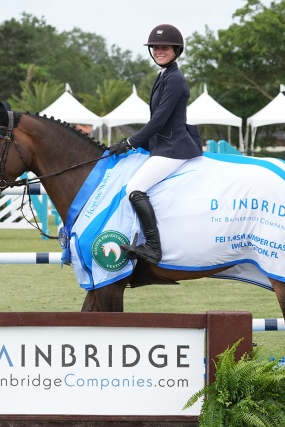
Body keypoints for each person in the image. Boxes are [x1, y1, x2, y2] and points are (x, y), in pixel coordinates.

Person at [107, 24, 203, 264]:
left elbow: (159, 120)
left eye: (165, 47)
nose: (159, 51)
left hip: (173, 149)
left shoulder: (175, 80)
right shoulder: (163, 76)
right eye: (155, 47)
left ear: (176, 50)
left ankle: (152, 247)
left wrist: (130, 142)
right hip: (161, 146)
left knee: (135, 188)